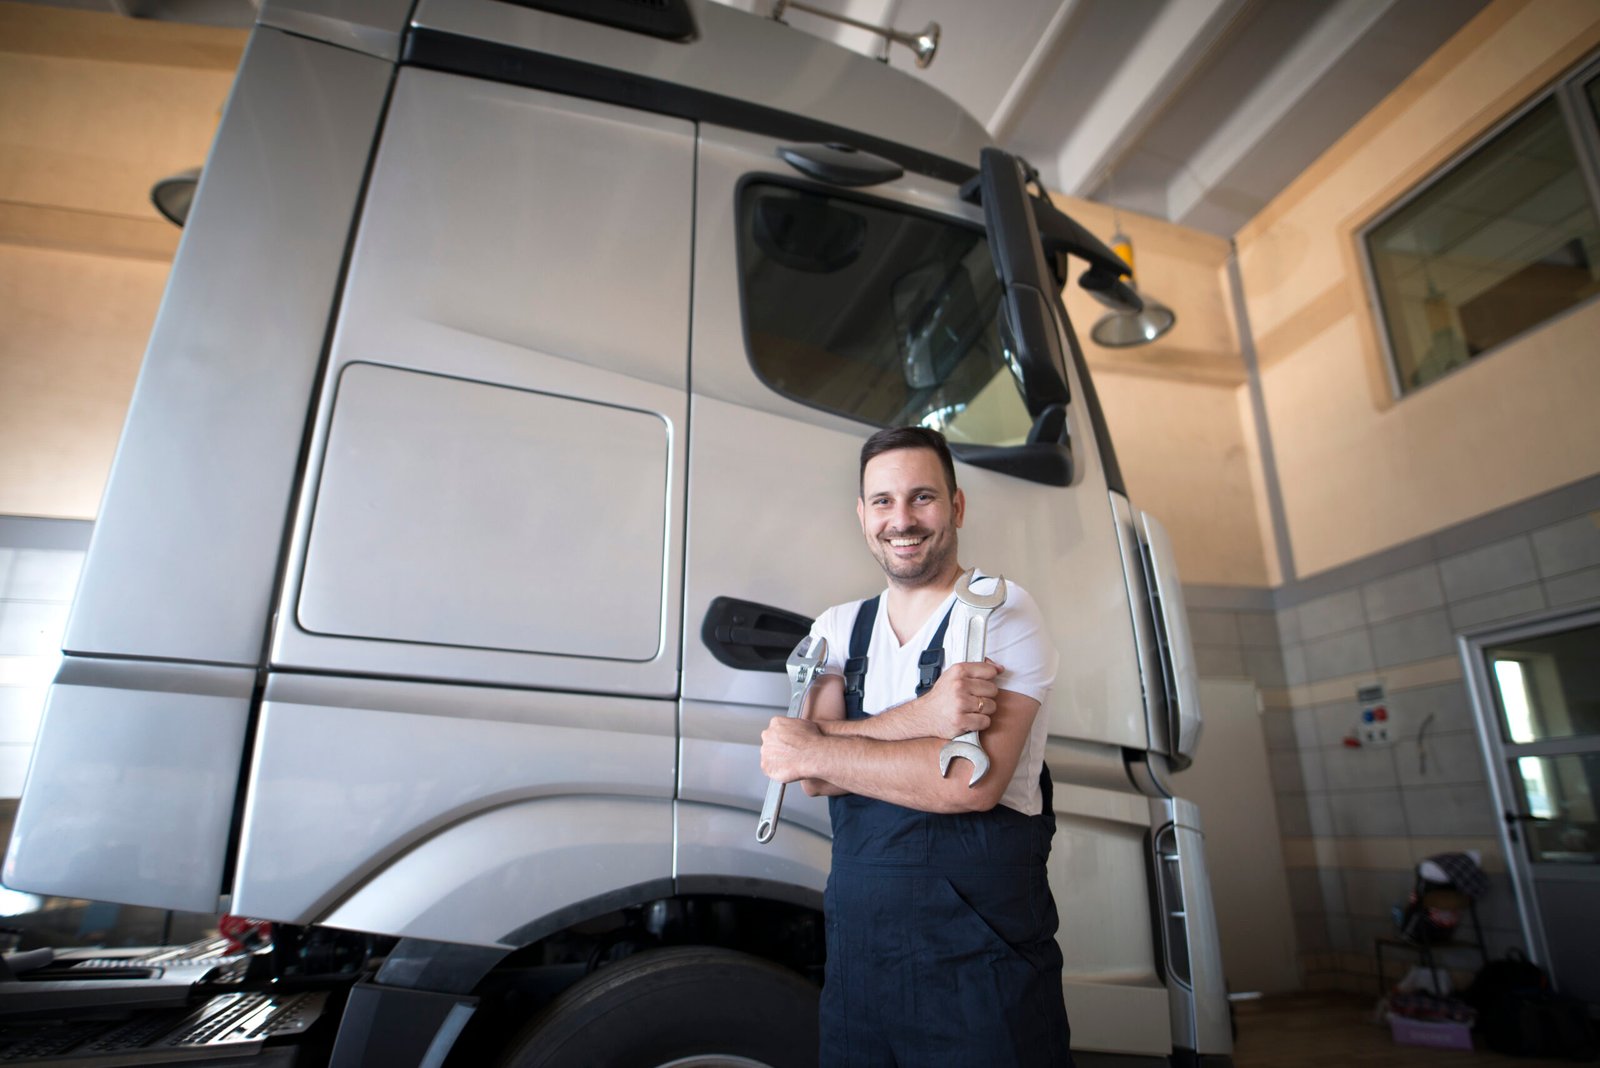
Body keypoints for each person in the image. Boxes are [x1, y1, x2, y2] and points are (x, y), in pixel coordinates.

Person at [761, 425, 1073, 1067]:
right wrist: (927, 717)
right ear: (862, 514)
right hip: (860, 968)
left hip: (982, 963)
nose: (900, 520)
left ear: (956, 507)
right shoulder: (836, 629)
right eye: (883, 501)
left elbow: (967, 783)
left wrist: (820, 746)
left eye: (922, 498)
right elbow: (815, 777)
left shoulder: (1004, 614)